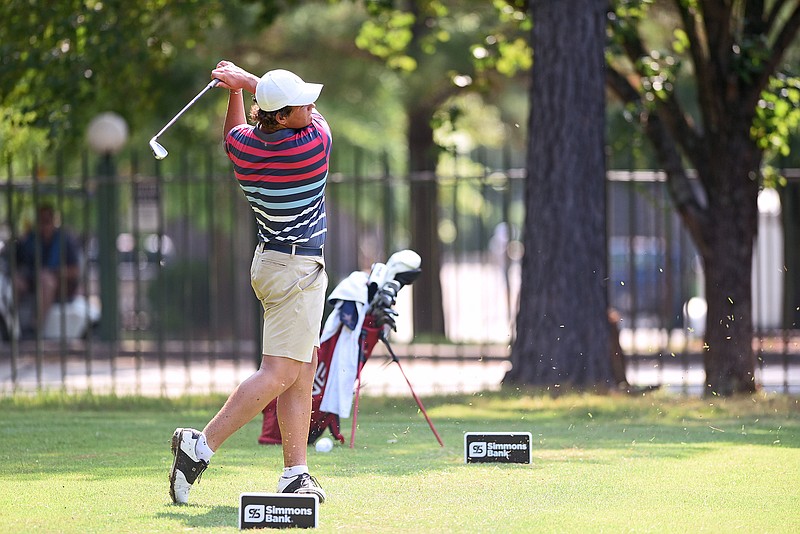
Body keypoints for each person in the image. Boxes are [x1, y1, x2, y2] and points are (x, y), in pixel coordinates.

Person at [168, 61, 331, 505]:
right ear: (281, 116)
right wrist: (247, 81)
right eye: (300, 103)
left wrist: (234, 92)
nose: (311, 104)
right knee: (279, 373)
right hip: (297, 271)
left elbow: (233, 132)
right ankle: (199, 447)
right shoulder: (313, 145)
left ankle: (295, 474)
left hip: (271, 264)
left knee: (301, 369)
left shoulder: (245, 148)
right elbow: (313, 118)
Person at [13, 203, 81, 335]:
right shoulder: (31, 239)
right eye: (40, 221)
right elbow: (18, 260)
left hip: (61, 285)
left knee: (46, 281)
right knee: (16, 282)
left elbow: (75, 270)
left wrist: (55, 272)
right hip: (34, 281)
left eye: (46, 221)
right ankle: (13, 326)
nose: (44, 226)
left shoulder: (65, 239)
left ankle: (35, 327)